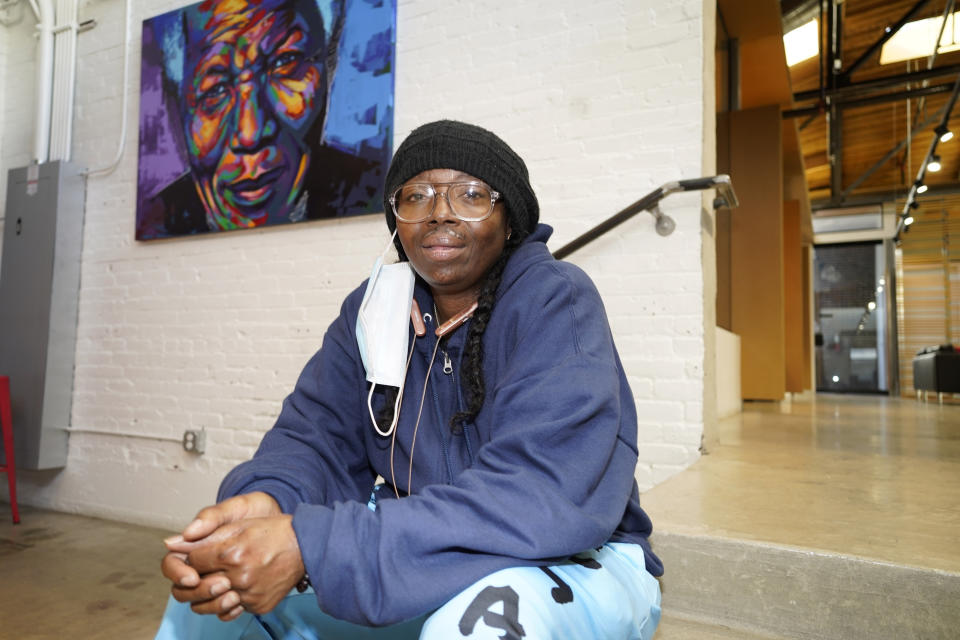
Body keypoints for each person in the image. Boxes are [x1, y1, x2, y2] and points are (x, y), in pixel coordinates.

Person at [156, 120, 664, 639]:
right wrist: (267, 500)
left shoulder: (556, 301)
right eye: (416, 196)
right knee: (225, 593)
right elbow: (314, 438)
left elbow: (538, 495)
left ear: (509, 219)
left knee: (475, 626)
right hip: (427, 549)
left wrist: (314, 547)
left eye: (470, 194)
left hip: (574, 559)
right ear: (397, 220)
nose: (440, 211)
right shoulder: (375, 309)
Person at [137, 0, 383, 239]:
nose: (250, 133)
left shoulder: (375, 191)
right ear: (180, 111)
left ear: (328, 71)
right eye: (215, 90)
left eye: (283, 62)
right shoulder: (155, 220)